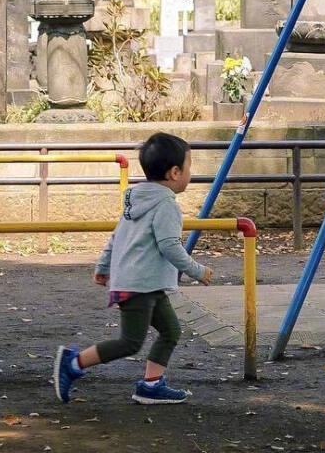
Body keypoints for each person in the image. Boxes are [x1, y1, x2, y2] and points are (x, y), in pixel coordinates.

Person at [53, 132, 211, 405]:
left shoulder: (136, 198)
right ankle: (73, 362)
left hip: (145, 282)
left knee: (171, 331)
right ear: (175, 172)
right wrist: (198, 271)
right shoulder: (166, 205)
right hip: (140, 283)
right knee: (130, 342)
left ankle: (151, 385)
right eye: (189, 166)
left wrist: (103, 265)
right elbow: (169, 246)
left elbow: (118, 236)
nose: (190, 173)